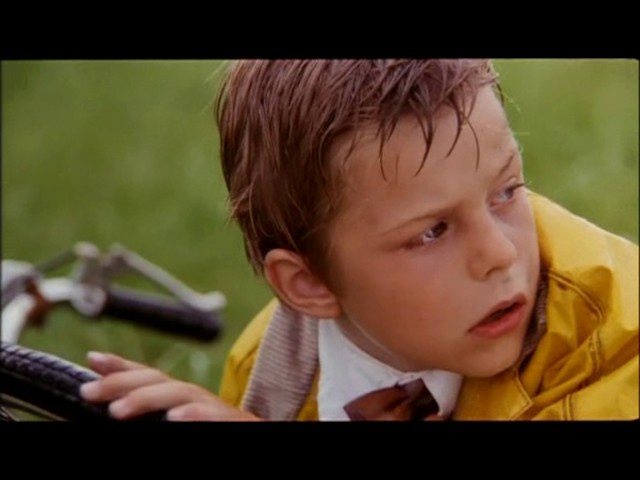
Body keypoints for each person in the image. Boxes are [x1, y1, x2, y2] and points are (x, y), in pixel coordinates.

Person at [80, 59, 638, 420]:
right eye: (432, 231)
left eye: (506, 191)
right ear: (310, 283)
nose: (500, 252)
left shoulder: (613, 338)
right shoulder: (271, 372)